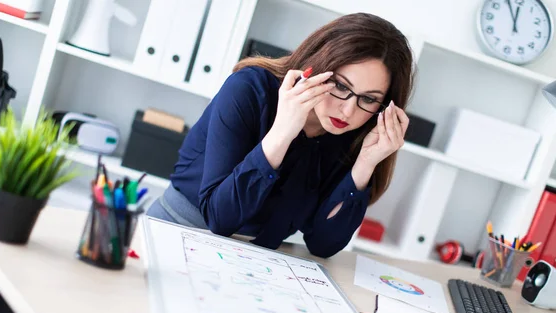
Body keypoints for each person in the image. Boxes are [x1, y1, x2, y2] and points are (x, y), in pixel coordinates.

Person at [147, 12, 415, 258]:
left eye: (368, 98)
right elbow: (220, 218)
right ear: (316, 67)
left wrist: (365, 164)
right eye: (340, 86)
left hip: (262, 260)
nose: (347, 110)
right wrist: (283, 131)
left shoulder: (356, 133)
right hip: (179, 233)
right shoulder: (249, 89)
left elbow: (323, 245)